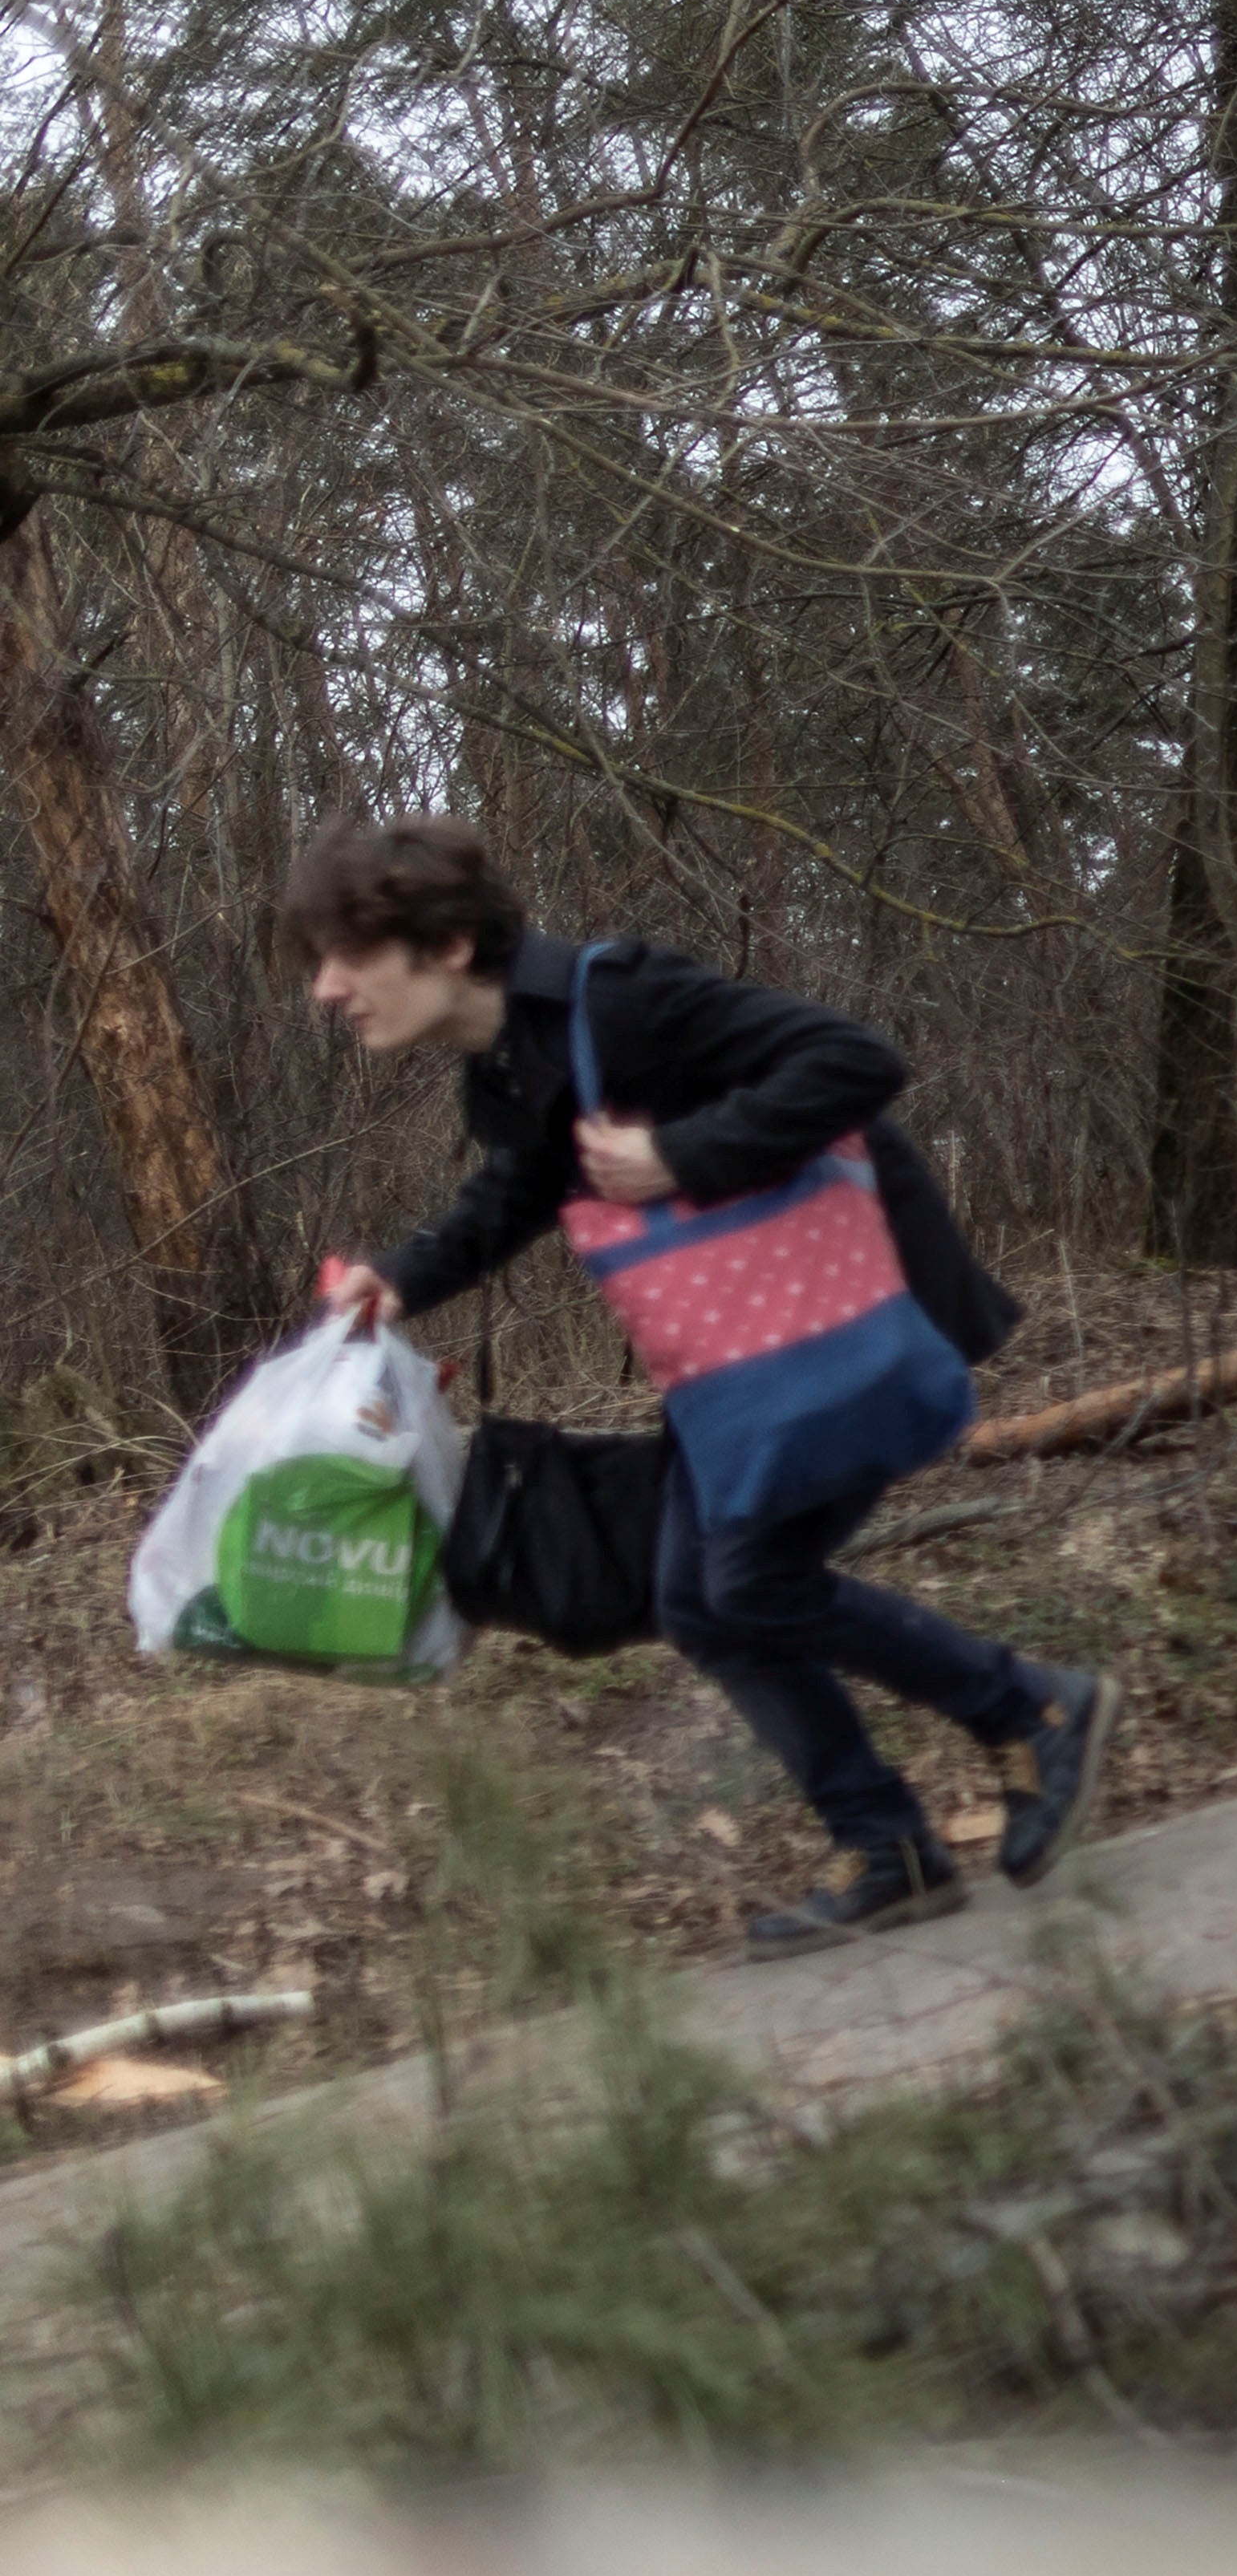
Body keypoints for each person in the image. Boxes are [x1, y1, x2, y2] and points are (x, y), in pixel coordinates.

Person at [289, 818, 1121, 1960]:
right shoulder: (509, 1061)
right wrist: (403, 1276)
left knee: (747, 1579)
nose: (325, 989)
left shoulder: (621, 998)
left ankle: (1028, 1708)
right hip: (745, 1358)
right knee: (697, 1595)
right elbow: (525, 1185)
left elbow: (855, 1062)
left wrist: (687, 1152)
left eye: (347, 954)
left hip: (856, 1316)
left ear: (445, 943)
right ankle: (889, 1843)